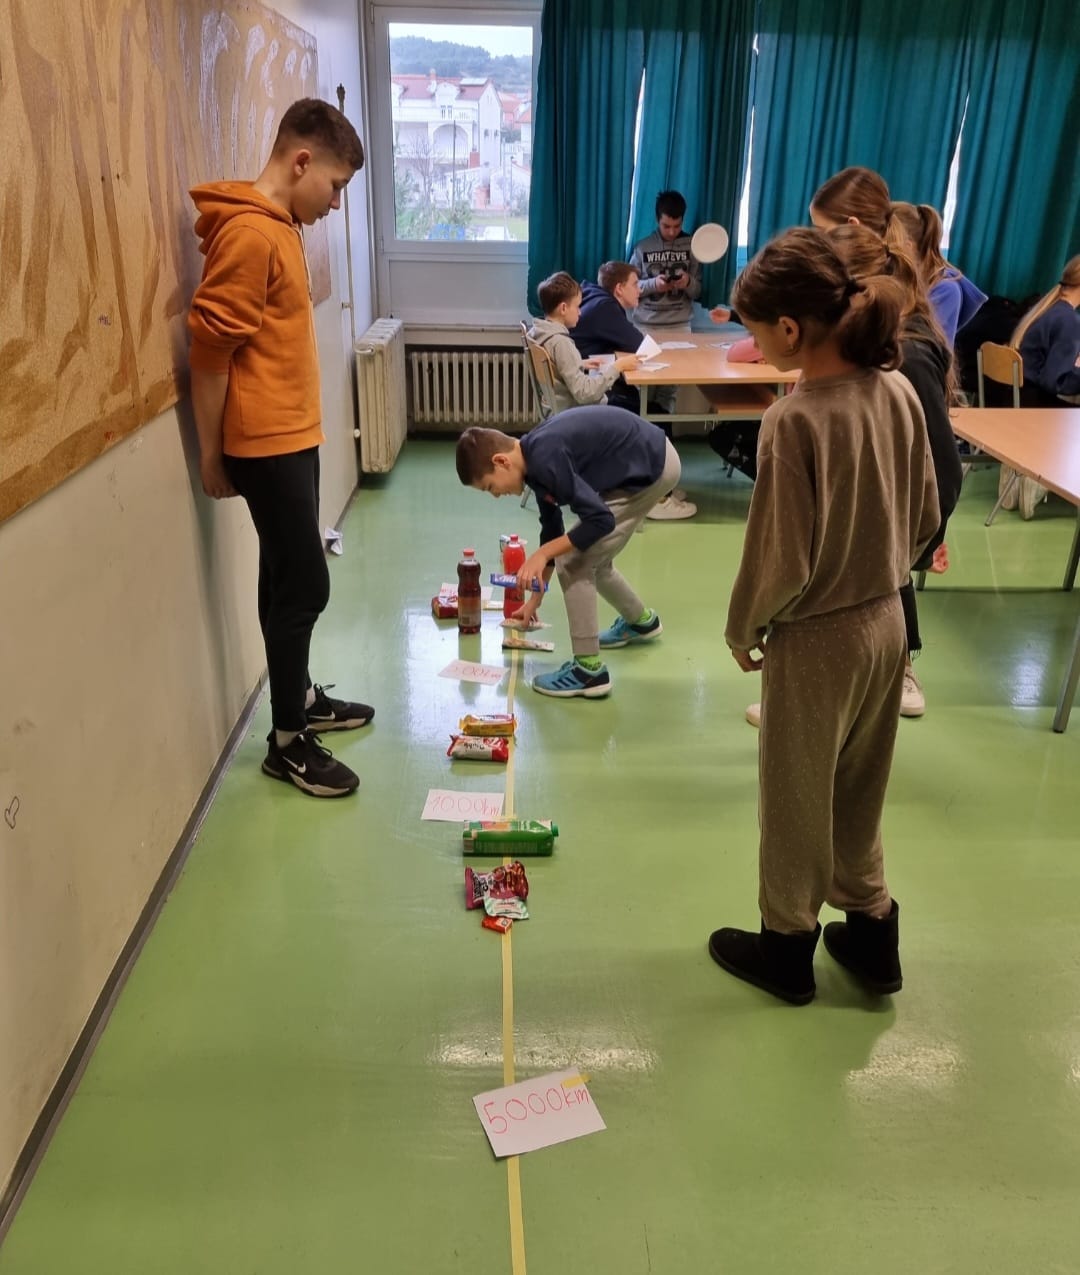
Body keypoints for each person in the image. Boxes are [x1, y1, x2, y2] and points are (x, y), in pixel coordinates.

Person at [708, 227, 939, 1005]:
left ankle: (786, 947)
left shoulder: (795, 419)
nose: (752, 344)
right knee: (859, 788)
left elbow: (780, 559)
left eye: (753, 331)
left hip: (817, 641)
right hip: (888, 623)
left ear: (789, 329)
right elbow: (925, 514)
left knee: (795, 796)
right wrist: (880, 568)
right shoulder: (898, 390)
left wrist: (744, 628)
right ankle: (872, 935)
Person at [188, 98, 373, 799]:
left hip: (291, 435)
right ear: (301, 162)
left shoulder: (280, 226)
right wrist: (213, 454)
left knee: (282, 575)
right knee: (306, 584)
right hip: (263, 445)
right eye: (335, 186)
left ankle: (300, 699)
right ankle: (288, 743)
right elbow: (210, 353)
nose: (335, 203)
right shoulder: (250, 235)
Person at [455, 405, 681, 699]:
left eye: (489, 487)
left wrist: (542, 554)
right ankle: (641, 622)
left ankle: (589, 672)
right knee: (593, 558)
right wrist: (534, 601)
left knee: (575, 561)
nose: (496, 495)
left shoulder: (545, 458)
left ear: (501, 461)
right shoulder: (534, 462)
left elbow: (600, 520)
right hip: (647, 458)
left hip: (652, 465)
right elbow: (552, 530)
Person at [571, 261, 696, 519]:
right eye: (635, 284)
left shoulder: (595, 298)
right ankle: (656, 498)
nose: (640, 289)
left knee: (654, 409)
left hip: (589, 389)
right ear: (619, 289)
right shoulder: (605, 308)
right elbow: (638, 343)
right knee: (655, 417)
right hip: (596, 397)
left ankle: (661, 487)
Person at [526, 271, 639, 417]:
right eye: (577, 306)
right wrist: (617, 367)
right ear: (563, 308)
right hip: (576, 413)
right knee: (639, 407)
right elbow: (584, 394)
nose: (580, 312)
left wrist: (579, 363)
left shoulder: (539, 333)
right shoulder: (561, 343)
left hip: (558, 408)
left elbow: (556, 365)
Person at [888, 202, 986, 347]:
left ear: (907, 247)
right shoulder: (899, 279)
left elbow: (916, 347)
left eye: (887, 246)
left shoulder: (946, 290)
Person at [630, 190, 704, 329]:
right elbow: (629, 288)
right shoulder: (642, 247)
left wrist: (688, 282)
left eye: (677, 226)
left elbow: (697, 292)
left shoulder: (691, 246)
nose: (672, 232)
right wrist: (654, 284)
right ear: (657, 220)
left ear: (683, 220)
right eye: (666, 226)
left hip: (680, 325)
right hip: (645, 324)